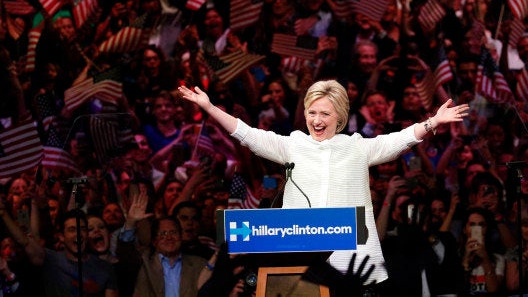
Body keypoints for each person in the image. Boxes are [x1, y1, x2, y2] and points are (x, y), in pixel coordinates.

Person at [178, 80, 469, 287]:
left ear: (340, 117)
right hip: (298, 261)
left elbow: (398, 140)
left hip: (349, 265)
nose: (317, 120)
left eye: (325, 114)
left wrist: (433, 122)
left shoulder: (356, 147)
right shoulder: (293, 144)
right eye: (312, 112)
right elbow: (248, 134)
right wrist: (209, 107)